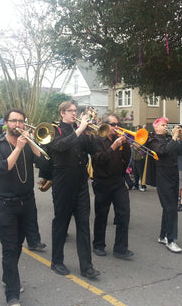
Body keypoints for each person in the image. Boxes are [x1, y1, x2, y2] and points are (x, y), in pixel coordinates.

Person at [0, 109, 47, 306]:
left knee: (18, 245)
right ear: (6, 123)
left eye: (21, 121)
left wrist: (32, 144)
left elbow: (45, 164)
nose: (18, 125)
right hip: (5, 204)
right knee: (9, 247)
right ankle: (12, 294)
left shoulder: (28, 144)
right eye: (14, 121)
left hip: (27, 201)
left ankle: (8, 277)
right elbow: (0, 170)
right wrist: (19, 148)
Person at [48, 101, 100, 278]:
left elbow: (93, 150)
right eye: (71, 111)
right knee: (61, 222)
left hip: (80, 182)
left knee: (84, 224)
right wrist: (79, 130)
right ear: (62, 113)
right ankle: (56, 261)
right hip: (63, 181)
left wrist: (92, 131)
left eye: (75, 111)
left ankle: (87, 266)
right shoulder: (54, 130)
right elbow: (59, 147)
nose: (74, 113)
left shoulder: (81, 130)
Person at [91, 113, 133, 258]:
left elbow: (126, 160)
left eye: (117, 124)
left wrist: (126, 145)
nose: (117, 127)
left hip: (118, 181)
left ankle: (120, 248)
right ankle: (98, 245)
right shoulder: (96, 139)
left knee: (124, 213)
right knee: (102, 214)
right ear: (106, 125)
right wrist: (114, 147)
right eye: (113, 124)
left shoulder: (118, 139)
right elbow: (99, 159)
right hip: (102, 181)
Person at [147, 117, 182, 253]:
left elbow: (181, 151)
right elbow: (164, 151)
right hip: (163, 178)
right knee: (171, 209)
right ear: (156, 128)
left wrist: (180, 138)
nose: (166, 127)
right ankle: (171, 240)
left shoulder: (169, 139)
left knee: (169, 207)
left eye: (166, 125)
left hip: (173, 176)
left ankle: (163, 236)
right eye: (163, 125)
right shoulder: (153, 140)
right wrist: (174, 137)